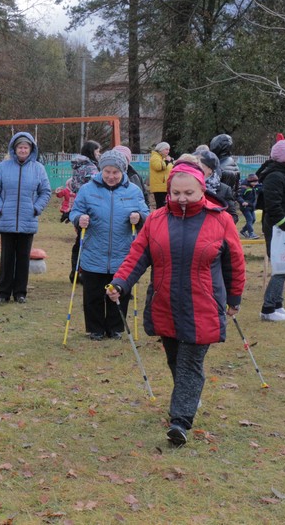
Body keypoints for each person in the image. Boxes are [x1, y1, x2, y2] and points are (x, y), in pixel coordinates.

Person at [106, 162, 245, 446]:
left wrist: (234, 298)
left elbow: (235, 262)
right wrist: (120, 282)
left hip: (203, 305)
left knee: (189, 363)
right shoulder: (156, 220)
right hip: (165, 302)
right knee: (175, 359)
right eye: (176, 192)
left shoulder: (220, 220)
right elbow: (137, 256)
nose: (182, 198)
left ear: (201, 190)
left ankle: (180, 421)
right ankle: (189, 396)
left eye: (189, 192)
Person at [70, 150, 149, 340]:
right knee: (93, 294)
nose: (111, 176)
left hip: (122, 251)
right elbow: (75, 211)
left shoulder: (133, 191)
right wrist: (80, 218)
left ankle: (116, 328)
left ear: (122, 171)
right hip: (94, 250)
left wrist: (139, 217)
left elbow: (146, 213)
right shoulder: (88, 189)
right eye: (107, 172)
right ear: (101, 171)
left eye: (115, 172)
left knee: (119, 291)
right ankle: (95, 329)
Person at [0, 132, 52, 304]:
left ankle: (20, 293)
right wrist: (0, 208)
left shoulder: (38, 168)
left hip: (27, 219)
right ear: (14, 149)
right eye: (20, 147)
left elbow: (45, 191)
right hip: (7, 219)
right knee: (7, 258)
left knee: (23, 258)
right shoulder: (3, 167)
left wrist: (36, 208)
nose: (23, 150)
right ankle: (3, 293)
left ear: (31, 149)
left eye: (26, 147)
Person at [255, 139, 285, 321]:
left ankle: (277, 304)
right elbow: (273, 205)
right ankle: (268, 309)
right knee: (281, 268)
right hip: (278, 229)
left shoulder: (284, 174)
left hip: (284, 228)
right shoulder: (275, 176)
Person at [67, 141, 101, 282]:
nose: (99, 154)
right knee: (86, 242)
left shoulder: (78, 166)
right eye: (98, 151)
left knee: (80, 241)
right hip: (89, 208)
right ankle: (82, 272)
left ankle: (75, 271)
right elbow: (95, 187)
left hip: (78, 206)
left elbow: (73, 185)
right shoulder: (91, 168)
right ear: (91, 151)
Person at [193, 151, 239, 223]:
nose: (196, 169)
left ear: (210, 169)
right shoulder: (186, 187)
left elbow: (233, 216)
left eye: (200, 166)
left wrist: (217, 226)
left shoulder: (224, 189)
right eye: (193, 166)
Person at [149, 141, 173, 209]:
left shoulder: (162, 158)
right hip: (159, 187)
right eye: (166, 149)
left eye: (169, 149)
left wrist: (170, 162)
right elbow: (158, 167)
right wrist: (167, 161)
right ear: (161, 149)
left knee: (166, 206)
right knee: (161, 207)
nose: (168, 151)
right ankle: (159, 219)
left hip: (164, 187)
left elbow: (170, 169)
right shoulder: (155, 157)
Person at [238, 173, 261, 239]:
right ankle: (251, 233)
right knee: (250, 219)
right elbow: (238, 196)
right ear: (250, 181)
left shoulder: (254, 186)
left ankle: (243, 231)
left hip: (251, 206)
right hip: (245, 207)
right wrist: (243, 202)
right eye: (255, 182)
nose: (256, 183)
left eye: (257, 181)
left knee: (253, 219)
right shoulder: (244, 187)